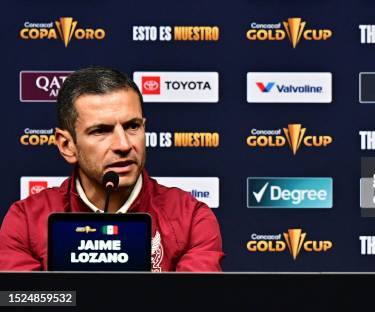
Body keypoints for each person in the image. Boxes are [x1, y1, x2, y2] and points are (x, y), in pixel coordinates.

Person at [0, 66, 224, 271]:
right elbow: (24, 301)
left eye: (132, 126)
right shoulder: (26, 222)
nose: (124, 145)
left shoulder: (190, 218)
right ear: (67, 145)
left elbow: (196, 302)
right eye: (101, 131)